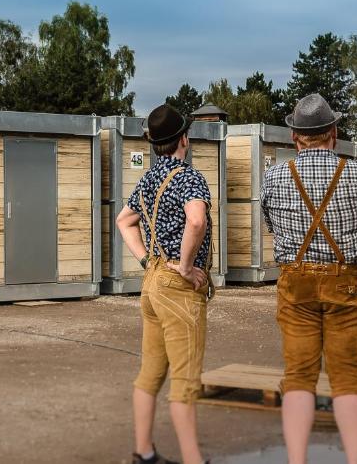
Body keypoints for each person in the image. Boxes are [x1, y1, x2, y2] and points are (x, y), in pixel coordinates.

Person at [261, 94, 357, 464]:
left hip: (295, 283)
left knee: (298, 375)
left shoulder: (275, 176)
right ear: (334, 132)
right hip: (346, 281)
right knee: (347, 378)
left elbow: (271, 225)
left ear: (295, 137)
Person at [115, 104, 214, 464]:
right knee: (185, 379)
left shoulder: (147, 180)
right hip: (177, 288)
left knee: (151, 373)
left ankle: (143, 452)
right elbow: (196, 221)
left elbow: (123, 221)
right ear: (184, 139)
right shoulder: (189, 178)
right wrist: (187, 267)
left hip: (153, 282)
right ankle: (193, 460)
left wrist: (145, 260)